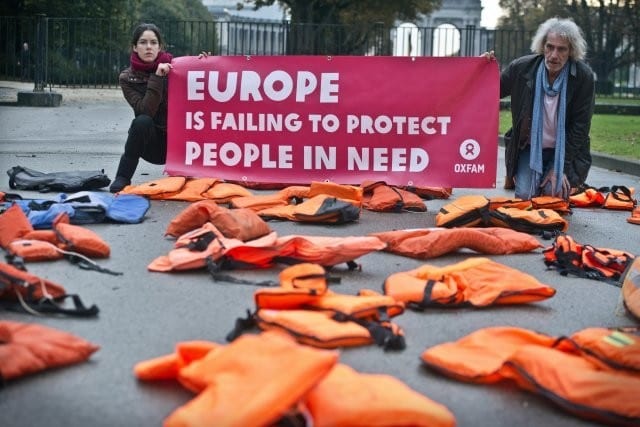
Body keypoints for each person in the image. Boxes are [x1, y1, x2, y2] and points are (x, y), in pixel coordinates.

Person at [487, 17, 595, 200]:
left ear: (571, 51)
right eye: (550, 47)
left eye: (561, 49)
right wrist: (483, 67)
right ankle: (521, 176)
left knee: (551, 196)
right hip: (528, 148)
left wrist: (559, 167)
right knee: (524, 196)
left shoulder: (583, 77)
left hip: (563, 152)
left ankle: (561, 179)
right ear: (542, 46)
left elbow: (580, 128)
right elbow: (489, 90)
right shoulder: (521, 68)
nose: (554, 55)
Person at [110, 23, 174, 193]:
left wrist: (205, 64)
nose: (148, 47)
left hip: (179, 143)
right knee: (142, 121)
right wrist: (157, 77)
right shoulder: (127, 78)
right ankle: (123, 177)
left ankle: (204, 171)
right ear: (134, 47)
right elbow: (145, 111)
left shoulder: (175, 68)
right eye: (143, 42)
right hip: (151, 145)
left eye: (153, 43)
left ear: (160, 47)